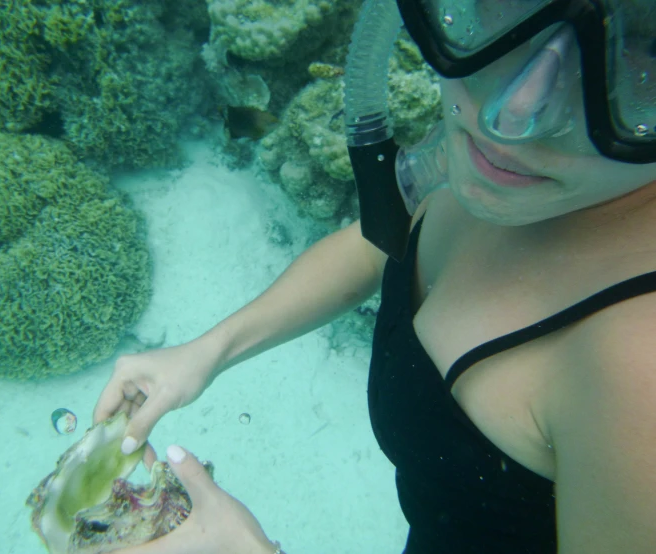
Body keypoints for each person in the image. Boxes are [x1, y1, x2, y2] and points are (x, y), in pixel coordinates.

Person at [94, 0, 656, 552]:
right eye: (513, 1)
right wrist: (210, 350)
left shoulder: (637, 371)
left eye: (645, 44)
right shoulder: (526, 169)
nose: (511, 115)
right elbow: (383, 244)